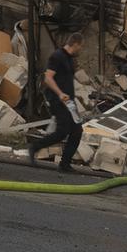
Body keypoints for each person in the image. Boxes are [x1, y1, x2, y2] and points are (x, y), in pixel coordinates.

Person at [27, 32, 84, 172]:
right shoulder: (57, 56)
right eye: (81, 46)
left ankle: (65, 164)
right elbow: (48, 78)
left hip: (69, 101)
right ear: (75, 44)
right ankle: (35, 146)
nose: (81, 49)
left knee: (77, 131)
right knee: (62, 131)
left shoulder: (70, 59)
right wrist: (60, 93)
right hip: (58, 100)